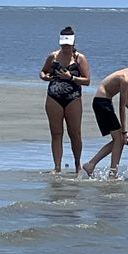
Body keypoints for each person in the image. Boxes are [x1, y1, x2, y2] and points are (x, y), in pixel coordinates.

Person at [39, 26, 90, 174]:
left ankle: (77, 165)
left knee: (75, 133)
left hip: (73, 97)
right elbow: (43, 71)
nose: (65, 47)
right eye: (63, 44)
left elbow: (87, 80)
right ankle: (57, 167)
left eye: (68, 44)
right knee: (56, 132)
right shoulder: (53, 56)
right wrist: (45, 77)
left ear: (73, 43)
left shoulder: (79, 58)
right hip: (54, 96)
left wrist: (71, 77)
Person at [82, 68, 128, 178]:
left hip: (105, 102)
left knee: (118, 140)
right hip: (101, 103)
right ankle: (112, 173)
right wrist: (124, 130)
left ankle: (91, 164)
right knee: (119, 138)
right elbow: (122, 106)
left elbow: (127, 101)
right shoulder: (126, 79)